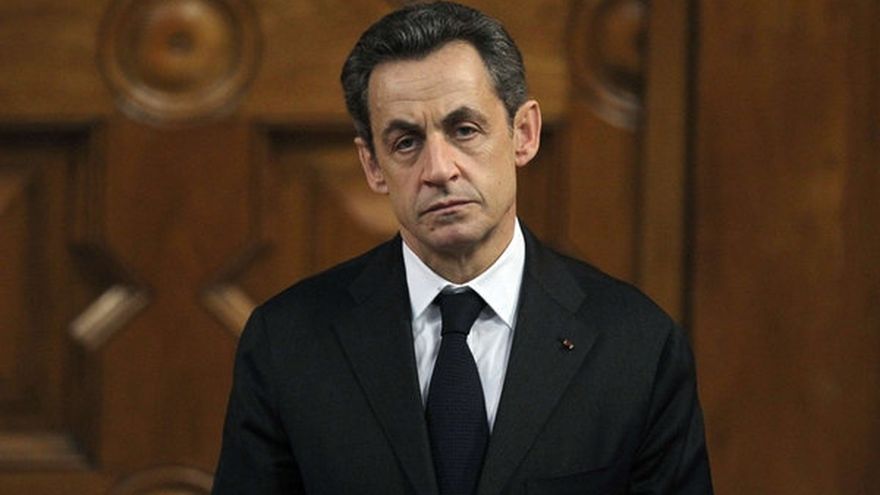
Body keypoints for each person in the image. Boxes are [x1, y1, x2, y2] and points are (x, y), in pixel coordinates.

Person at [211, 2, 713, 494]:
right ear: (373, 166)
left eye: (464, 130)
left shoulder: (637, 347)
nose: (438, 169)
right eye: (406, 142)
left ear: (524, 134)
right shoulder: (287, 343)